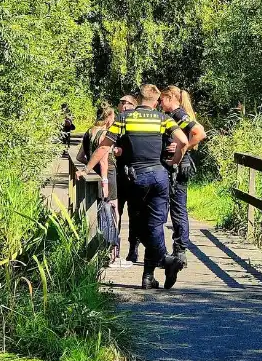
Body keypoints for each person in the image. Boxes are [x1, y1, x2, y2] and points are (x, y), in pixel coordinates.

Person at [85, 84, 188, 289]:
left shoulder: (124, 119)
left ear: (139, 99)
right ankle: (149, 276)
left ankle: (167, 260)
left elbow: (104, 146)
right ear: (157, 101)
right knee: (155, 225)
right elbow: (184, 141)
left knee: (141, 225)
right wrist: (173, 161)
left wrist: (86, 169)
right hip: (160, 177)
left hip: (136, 178)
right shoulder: (163, 119)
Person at [159, 86, 207, 265]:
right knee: (177, 209)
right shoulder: (176, 115)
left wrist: (183, 147)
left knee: (178, 210)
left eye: (162, 99)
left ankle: (180, 251)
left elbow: (199, 133)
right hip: (177, 165)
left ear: (171, 97)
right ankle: (178, 251)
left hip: (179, 167)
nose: (159, 103)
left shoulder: (179, 114)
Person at [78, 102, 122, 266]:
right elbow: (103, 161)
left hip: (93, 176)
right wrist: (104, 181)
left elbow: (80, 157)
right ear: (109, 117)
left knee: (97, 211)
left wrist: (90, 166)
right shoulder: (104, 134)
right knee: (112, 211)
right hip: (108, 176)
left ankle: (99, 248)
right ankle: (111, 252)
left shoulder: (89, 132)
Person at [115, 94, 141, 263]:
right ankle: (113, 247)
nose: (124, 105)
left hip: (133, 173)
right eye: (122, 102)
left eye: (128, 103)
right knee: (116, 211)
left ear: (135, 106)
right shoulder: (115, 122)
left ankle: (134, 248)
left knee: (135, 214)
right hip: (117, 173)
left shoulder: (139, 124)